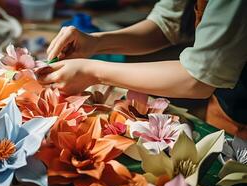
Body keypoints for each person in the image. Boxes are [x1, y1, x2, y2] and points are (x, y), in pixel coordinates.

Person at [38, 0, 247, 139]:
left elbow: (198, 80)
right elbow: (166, 24)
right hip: (223, 105)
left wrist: (92, 71)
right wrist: (96, 42)